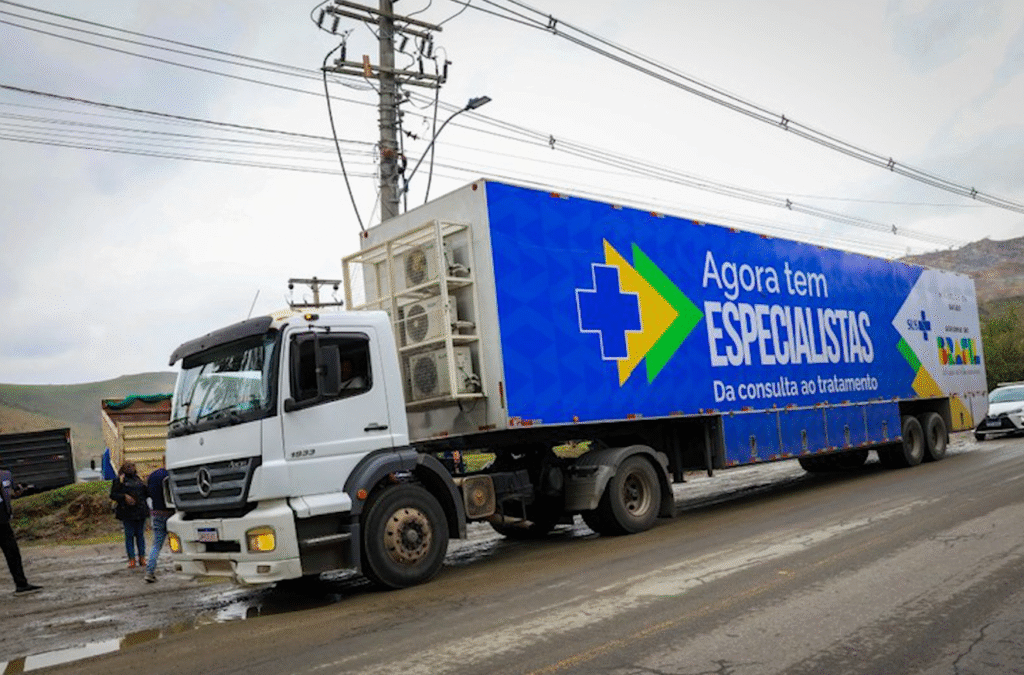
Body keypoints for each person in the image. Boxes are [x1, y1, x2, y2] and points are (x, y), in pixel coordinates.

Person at [0, 468, 42, 594]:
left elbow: (12, 493)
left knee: (12, 552)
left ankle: (21, 584)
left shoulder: (5, 475)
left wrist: (22, 490)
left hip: (2, 519)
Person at [110, 461, 150, 568]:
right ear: (123, 468)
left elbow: (146, 493)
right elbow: (113, 495)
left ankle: (142, 557)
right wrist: (124, 496)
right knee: (129, 535)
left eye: (132, 466)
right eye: (128, 467)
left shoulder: (139, 479)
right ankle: (131, 559)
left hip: (140, 511)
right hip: (127, 512)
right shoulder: (119, 481)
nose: (130, 468)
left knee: (140, 535)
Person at [144, 462, 173, 583]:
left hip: (156, 513)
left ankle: (150, 571)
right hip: (171, 513)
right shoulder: (171, 475)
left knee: (156, 545)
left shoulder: (152, 476)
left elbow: (147, 493)